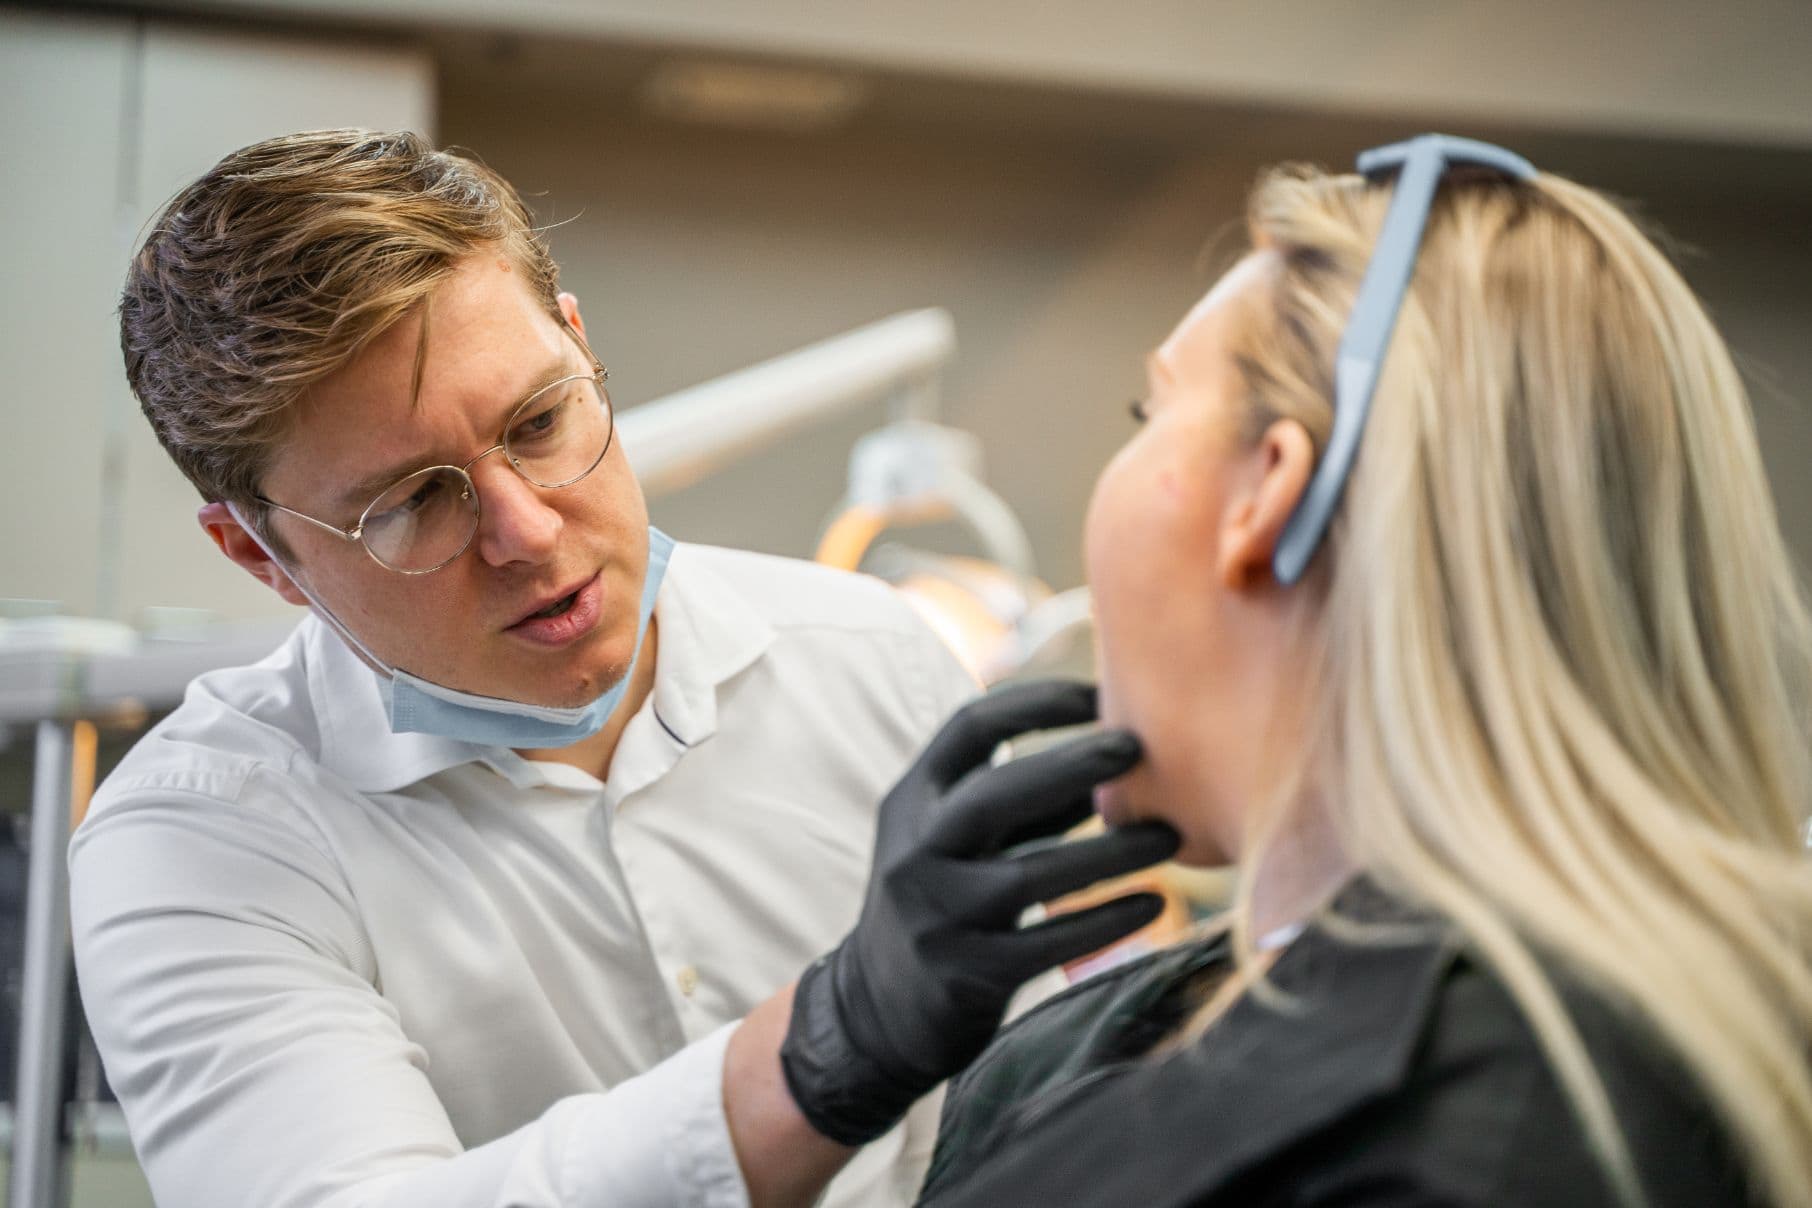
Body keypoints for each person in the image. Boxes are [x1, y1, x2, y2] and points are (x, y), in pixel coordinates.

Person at [70, 128, 1179, 1208]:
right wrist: (823, 1050)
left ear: (579, 341)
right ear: (260, 553)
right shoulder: (200, 841)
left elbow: (1044, 1109)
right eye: (410, 503)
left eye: (542, 419)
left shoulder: (871, 653)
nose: (530, 534)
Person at [916, 134, 1812, 1207]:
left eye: (1148, 413)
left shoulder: (1480, 1132)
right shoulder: (1568, 1035)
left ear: (1268, 488)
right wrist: (816, 1067)